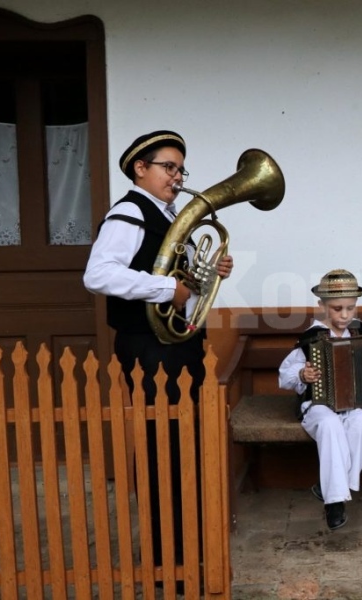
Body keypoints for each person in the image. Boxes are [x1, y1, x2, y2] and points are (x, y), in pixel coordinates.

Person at [83, 130, 234, 572]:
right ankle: (170, 559)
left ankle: (191, 549)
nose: (178, 175)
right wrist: (170, 287)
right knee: (162, 447)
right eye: (169, 166)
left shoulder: (169, 217)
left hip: (178, 344)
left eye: (181, 168)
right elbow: (98, 275)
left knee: (184, 445)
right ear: (140, 169)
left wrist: (210, 274)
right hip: (150, 348)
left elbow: (187, 284)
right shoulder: (130, 213)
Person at [278, 269, 362, 530]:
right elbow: (284, 377)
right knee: (330, 426)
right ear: (321, 306)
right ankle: (335, 502)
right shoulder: (311, 339)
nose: (344, 315)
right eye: (337, 309)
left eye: (350, 308)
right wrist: (302, 373)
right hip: (320, 405)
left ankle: (329, 485)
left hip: (359, 404)